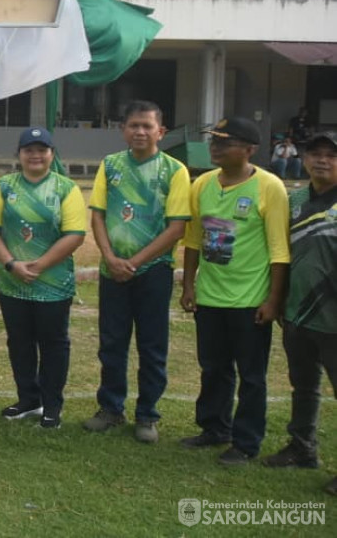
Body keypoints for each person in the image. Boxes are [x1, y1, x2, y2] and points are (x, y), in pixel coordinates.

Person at [179, 116, 289, 465]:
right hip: (210, 297)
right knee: (213, 367)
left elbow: (279, 250)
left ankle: (246, 442)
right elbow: (194, 240)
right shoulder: (203, 184)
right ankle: (214, 428)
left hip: (249, 301)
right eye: (214, 141)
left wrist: (273, 300)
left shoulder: (269, 187)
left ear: (249, 150)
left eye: (225, 142)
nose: (216, 147)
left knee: (251, 376)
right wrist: (188, 286)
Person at [82, 101, 191, 444]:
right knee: (112, 343)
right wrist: (112, 258)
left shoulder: (174, 170)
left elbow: (176, 228)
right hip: (112, 271)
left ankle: (148, 414)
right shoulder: (110, 166)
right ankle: (111, 409)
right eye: (133, 125)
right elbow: (97, 215)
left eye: (147, 126)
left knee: (152, 345)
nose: (140, 132)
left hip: (154, 272)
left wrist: (135, 262)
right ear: (123, 130)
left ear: (161, 131)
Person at [0, 126, 87, 430]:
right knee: (19, 343)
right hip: (12, 282)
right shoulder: (4, 186)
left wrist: (39, 266)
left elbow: (75, 234)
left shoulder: (66, 188)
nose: (36, 155)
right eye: (29, 149)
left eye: (42, 150)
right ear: (20, 154)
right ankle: (28, 398)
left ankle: (51, 405)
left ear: (52, 154)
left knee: (54, 344)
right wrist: (12, 263)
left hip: (53, 285)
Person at [262, 130, 337, 496]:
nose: (322, 160)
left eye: (331, 155)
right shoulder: (294, 202)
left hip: (334, 321)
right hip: (298, 315)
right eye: (315, 153)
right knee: (304, 386)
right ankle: (302, 448)